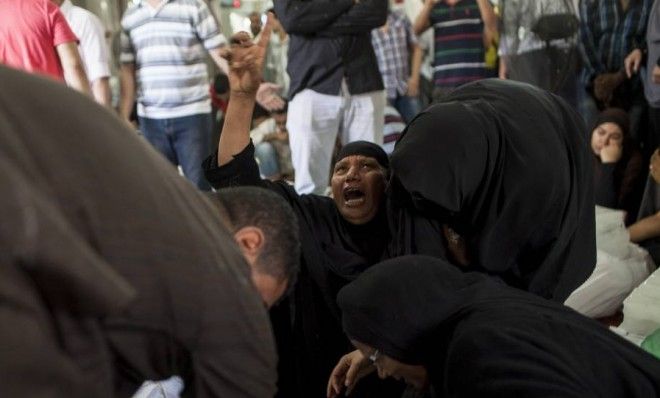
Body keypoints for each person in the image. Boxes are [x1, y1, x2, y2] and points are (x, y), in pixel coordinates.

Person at [0, 64, 279, 398]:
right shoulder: (230, 287)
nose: (260, 318)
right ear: (249, 243)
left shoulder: (157, 207)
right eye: (262, 302)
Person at [202, 18, 400, 397]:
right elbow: (233, 178)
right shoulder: (310, 215)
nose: (351, 174)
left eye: (367, 166)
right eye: (341, 168)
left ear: (387, 184)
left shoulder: (405, 231)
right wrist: (243, 97)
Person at [328, 255, 660, 398]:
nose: (383, 373)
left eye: (378, 360)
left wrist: (384, 351)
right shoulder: (478, 304)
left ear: (406, 327)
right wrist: (375, 351)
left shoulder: (482, 358)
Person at [388, 79, 595, 302]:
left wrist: (461, 245)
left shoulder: (534, 184)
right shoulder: (422, 145)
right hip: (484, 123)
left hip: (544, 148)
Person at [274, 0, 388, 195]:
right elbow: (293, 18)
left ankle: (371, 227)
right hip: (310, 84)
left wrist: (316, 26)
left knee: (371, 181)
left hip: (363, 81)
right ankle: (314, 225)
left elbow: (376, 12)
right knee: (309, 187)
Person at [119, 0, 229, 190]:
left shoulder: (193, 6)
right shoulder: (131, 15)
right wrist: (122, 116)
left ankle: (203, 221)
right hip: (151, 119)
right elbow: (127, 70)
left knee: (199, 188)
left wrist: (252, 87)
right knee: (161, 190)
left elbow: (220, 52)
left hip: (192, 114)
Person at [577, 0, 652, 141]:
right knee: (591, 143)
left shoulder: (650, 4)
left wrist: (618, 77)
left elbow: (647, 44)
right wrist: (600, 79)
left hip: (632, 87)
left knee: (629, 144)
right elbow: (584, 39)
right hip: (593, 86)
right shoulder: (592, 3)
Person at [0, 0, 90, 95]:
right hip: (49, 101)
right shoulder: (47, 9)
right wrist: (84, 107)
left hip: (8, 104)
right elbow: (74, 67)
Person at [413, 0, 497, 101]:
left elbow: (492, 25)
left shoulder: (478, 3)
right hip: (443, 83)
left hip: (474, 82)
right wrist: (428, 5)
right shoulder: (437, 7)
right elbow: (416, 30)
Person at [52, 0, 112, 106]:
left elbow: (99, 77)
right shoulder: (41, 21)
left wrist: (100, 118)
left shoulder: (84, 20)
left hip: (82, 107)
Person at [591, 108, 645, 225]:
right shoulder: (580, 152)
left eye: (614, 137)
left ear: (623, 142)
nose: (604, 141)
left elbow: (605, 211)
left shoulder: (632, 164)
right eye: (601, 133)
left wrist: (608, 165)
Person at [371, 9, 423, 123]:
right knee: (389, 135)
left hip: (405, 87)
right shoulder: (366, 24)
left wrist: (415, 79)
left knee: (420, 127)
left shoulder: (400, 17)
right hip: (382, 92)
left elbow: (417, 49)